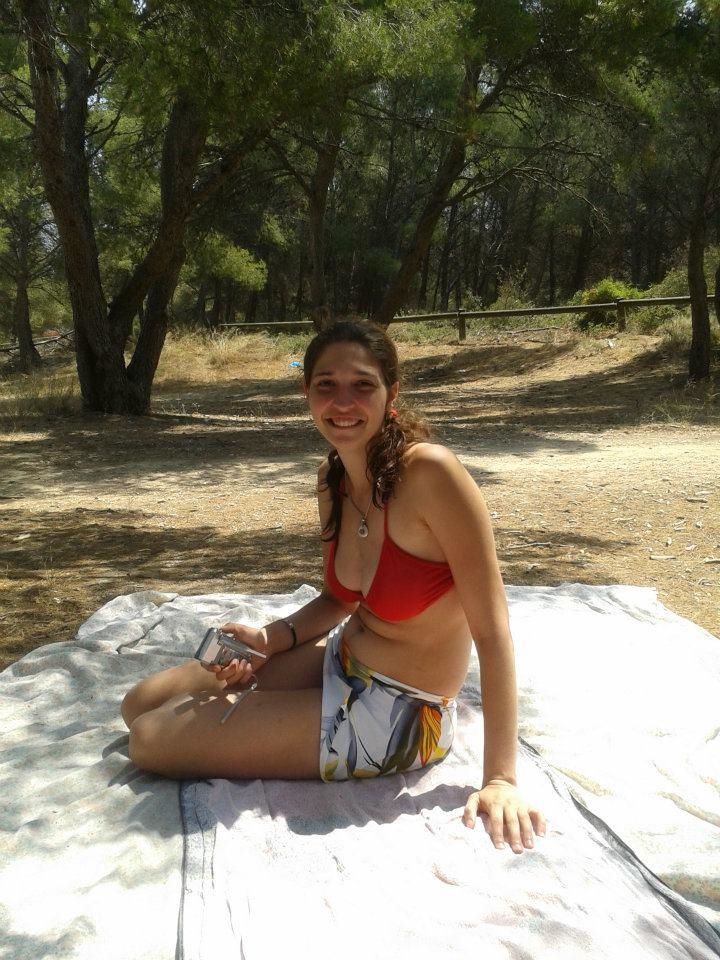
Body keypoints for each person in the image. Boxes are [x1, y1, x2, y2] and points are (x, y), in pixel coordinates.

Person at [122, 319, 545, 853]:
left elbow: (493, 631)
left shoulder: (431, 475)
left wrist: (501, 778)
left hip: (400, 714)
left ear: (391, 392)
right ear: (307, 393)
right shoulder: (334, 480)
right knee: (139, 703)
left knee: (150, 739)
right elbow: (341, 598)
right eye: (326, 384)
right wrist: (269, 640)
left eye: (362, 384)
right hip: (340, 664)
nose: (343, 402)